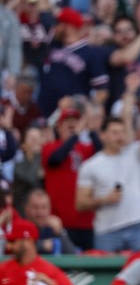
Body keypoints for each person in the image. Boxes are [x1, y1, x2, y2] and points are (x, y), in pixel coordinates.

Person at [76, 103, 140, 252]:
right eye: (114, 133)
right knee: (106, 273)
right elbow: (80, 203)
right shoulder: (90, 165)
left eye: (122, 132)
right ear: (102, 135)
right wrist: (103, 199)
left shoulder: (135, 152)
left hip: (136, 224)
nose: (120, 137)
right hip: (107, 230)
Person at [41, 107, 101, 251]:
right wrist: (75, 136)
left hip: (87, 221)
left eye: (75, 121)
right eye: (67, 122)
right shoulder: (50, 147)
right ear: (59, 126)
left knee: (89, 265)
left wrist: (92, 131)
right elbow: (55, 159)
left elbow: (103, 156)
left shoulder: (86, 148)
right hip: (60, 222)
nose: (72, 125)